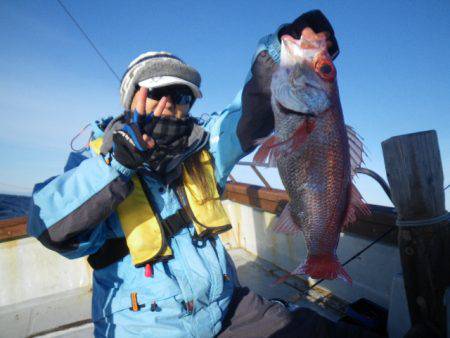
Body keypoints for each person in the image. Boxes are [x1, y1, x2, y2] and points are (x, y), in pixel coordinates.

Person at [27, 9, 379, 338]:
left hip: (225, 308)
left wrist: (281, 47)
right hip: (147, 327)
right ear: (131, 98)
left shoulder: (203, 149)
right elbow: (50, 227)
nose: (168, 105)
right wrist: (118, 164)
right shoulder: (95, 161)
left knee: (315, 330)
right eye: (156, 92)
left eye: (181, 95)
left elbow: (253, 110)